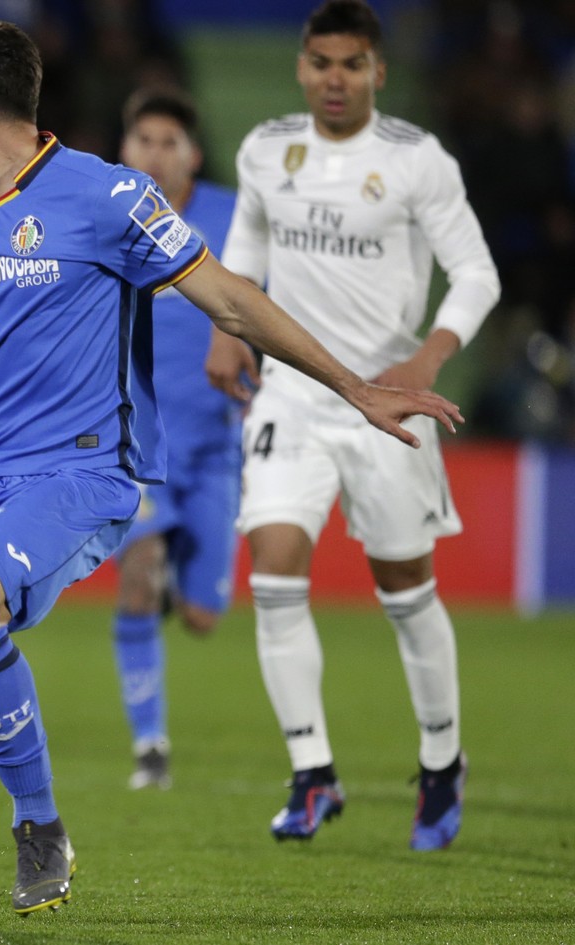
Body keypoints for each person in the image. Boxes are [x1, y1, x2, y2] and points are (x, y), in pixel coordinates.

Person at [0, 20, 461, 928]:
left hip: (82, 473)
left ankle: (42, 828)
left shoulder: (110, 195)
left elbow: (229, 296)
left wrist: (355, 387)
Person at [212, 0, 498, 850]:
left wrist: (429, 358)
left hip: (388, 399)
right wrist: (228, 336)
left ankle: (442, 762)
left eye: (352, 64)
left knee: (406, 591)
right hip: (293, 396)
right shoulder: (266, 148)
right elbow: (246, 251)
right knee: (272, 570)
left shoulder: (418, 162)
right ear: (301, 66)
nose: (335, 79)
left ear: (379, 71)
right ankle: (312, 774)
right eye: (321, 62)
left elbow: (476, 274)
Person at [109, 88, 244, 790]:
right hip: (135, 446)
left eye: (170, 142)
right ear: (125, 151)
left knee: (200, 615)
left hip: (216, 446)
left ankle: (173, 588)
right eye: (144, 141)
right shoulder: (108, 216)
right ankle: (151, 749)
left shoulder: (234, 219)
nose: (156, 153)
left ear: (191, 154)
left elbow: (263, 305)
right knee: (137, 574)